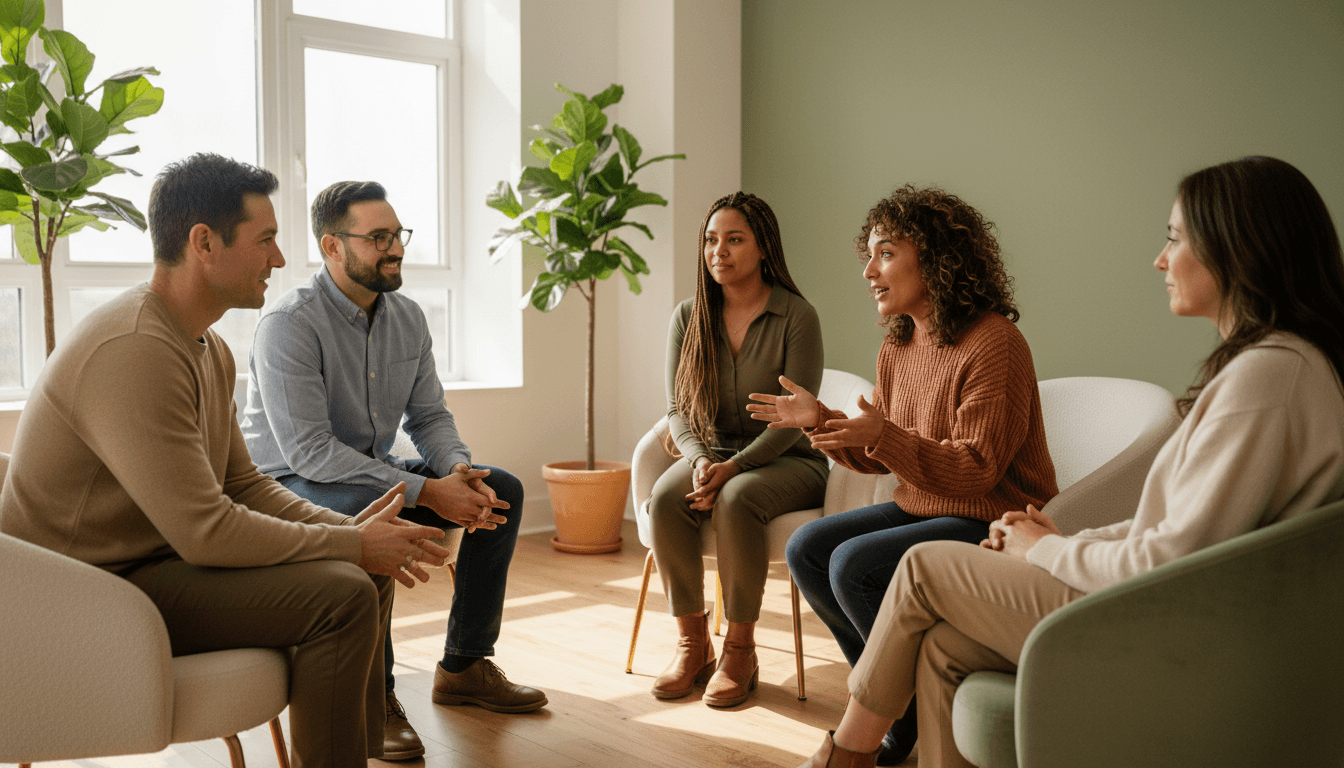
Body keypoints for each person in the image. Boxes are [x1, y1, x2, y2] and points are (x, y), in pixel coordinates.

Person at [791, 156, 1344, 768]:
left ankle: (849, 751)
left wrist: (1047, 550)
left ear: (1240, 247)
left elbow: (1171, 556)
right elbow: (1179, 528)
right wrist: (1064, 535)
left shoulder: (1268, 378)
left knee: (914, 568)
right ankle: (886, 733)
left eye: (1174, 239)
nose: (1161, 260)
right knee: (934, 638)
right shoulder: (1270, 370)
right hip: (1164, 594)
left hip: (1161, 617)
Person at [0, 154, 451, 768]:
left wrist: (353, 533)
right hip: (83, 595)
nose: (280, 260)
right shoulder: (135, 347)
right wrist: (350, 545)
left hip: (150, 565)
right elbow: (206, 530)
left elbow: (243, 484)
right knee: (342, 593)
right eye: (264, 240)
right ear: (204, 243)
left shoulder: (207, 346)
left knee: (360, 573)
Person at [750, 185, 1058, 764]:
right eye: (868, 255)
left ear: (938, 259)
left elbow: (977, 469)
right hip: (925, 504)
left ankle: (888, 717)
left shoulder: (995, 343)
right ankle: (907, 711)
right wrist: (824, 422)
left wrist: (883, 436)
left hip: (993, 517)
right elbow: (884, 453)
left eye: (885, 253)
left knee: (853, 565)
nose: (869, 270)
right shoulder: (899, 345)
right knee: (808, 549)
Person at [241, 180, 545, 760]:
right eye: (378, 237)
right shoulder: (289, 325)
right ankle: (373, 698)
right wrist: (426, 489)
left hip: (371, 469)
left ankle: (465, 665)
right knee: (366, 514)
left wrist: (457, 473)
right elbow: (309, 452)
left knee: (499, 491)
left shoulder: (407, 318)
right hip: (290, 486)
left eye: (398, 234)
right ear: (332, 247)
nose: (395, 248)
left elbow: (429, 415)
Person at [648, 192, 828, 708]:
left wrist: (734, 467)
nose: (717, 251)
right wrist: (701, 461)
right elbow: (677, 408)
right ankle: (692, 644)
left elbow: (797, 419)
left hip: (789, 459)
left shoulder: (798, 316)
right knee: (664, 498)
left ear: (763, 248)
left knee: (737, 497)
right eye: (710, 240)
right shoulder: (689, 317)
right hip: (712, 454)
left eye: (734, 239)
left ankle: (740, 650)